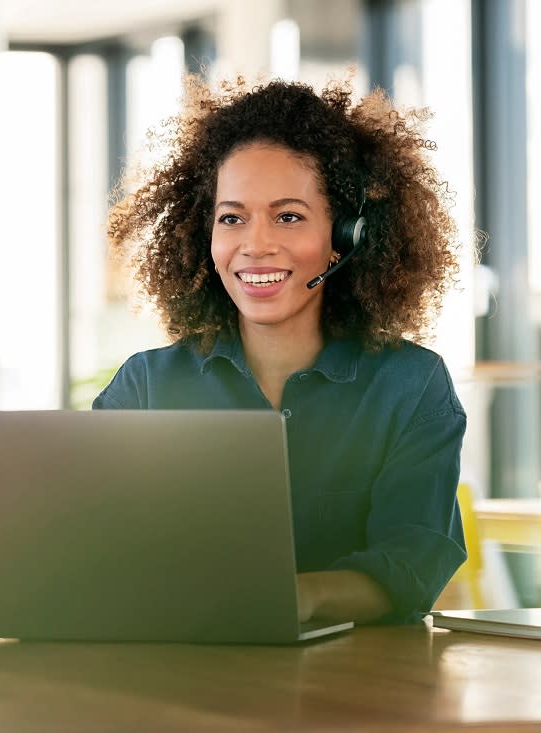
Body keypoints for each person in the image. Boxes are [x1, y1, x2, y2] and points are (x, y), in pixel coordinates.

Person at [93, 76, 467, 625]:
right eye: (232, 217)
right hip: (180, 685)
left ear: (348, 235)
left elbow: (411, 567)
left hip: (361, 692)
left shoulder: (410, 386)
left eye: (288, 216)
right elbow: (91, 547)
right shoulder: (146, 385)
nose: (255, 244)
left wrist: (294, 596)